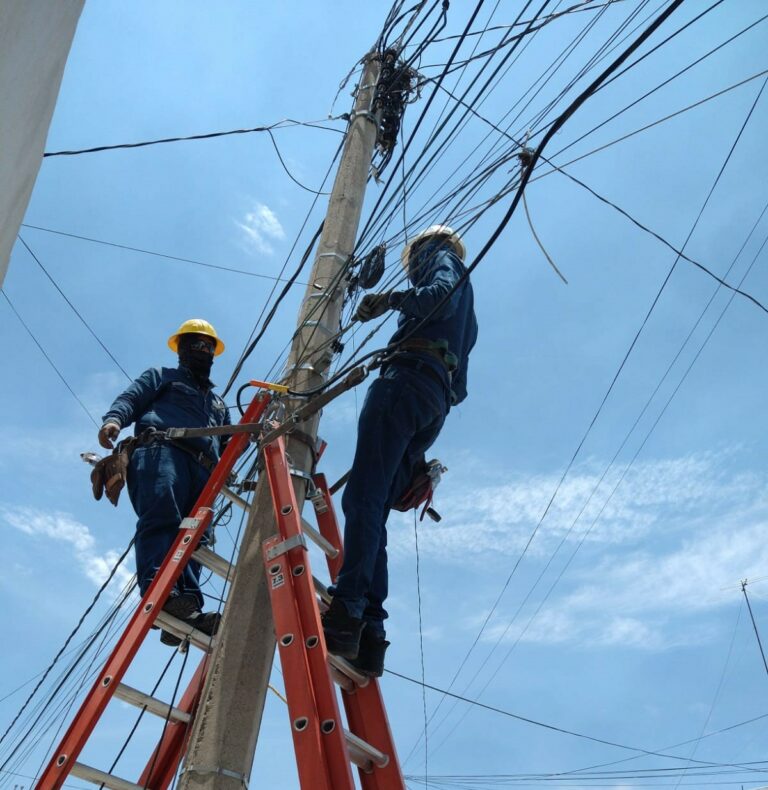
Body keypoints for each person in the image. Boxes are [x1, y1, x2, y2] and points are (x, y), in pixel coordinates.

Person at [322, 225, 478, 676]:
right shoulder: (471, 309)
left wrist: (391, 302)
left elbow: (436, 295)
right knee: (375, 511)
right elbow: (461, 387)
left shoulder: (440, 258)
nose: (411, 269)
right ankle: (371, 633)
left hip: (404, 381)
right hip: (433, 401)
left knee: (361, 500)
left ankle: (348, 609)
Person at [98, 319, 231, 645]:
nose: (202, 350)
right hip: (162, 449)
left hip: (204, 470)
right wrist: (114, 420)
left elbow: (229, 444)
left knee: (196, 536)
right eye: (195, 344)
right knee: (164, 516)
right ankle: (162, 589)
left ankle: (187, 609)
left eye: (207, 346)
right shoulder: (163, 377)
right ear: (181, 349)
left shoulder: (218, 404)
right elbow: (132, 397)